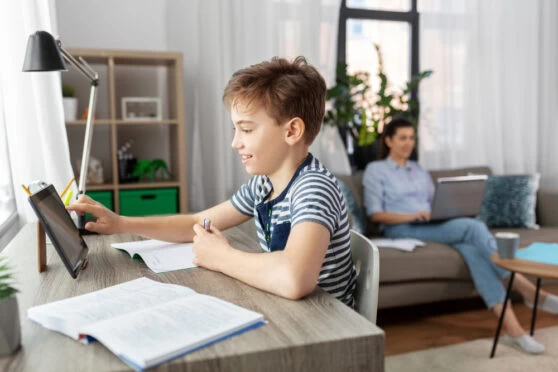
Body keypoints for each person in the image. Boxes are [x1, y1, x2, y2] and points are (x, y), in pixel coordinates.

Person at [68, 56, 357, 306]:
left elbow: (294, 279)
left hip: (325, 325)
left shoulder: (313, 188)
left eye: (246, 129)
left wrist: (221, 256)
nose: (235, 143)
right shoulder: (264, 185)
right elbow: (196, 221)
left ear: (292, 130)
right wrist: (122, 223)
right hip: (287, 309)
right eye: (236, 129)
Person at [362, 117, 558, 354]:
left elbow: (436, 203)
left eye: (411, 138)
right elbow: (376, 215)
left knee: (472, 250)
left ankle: (514, 329)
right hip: (401, 228)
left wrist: (441, 211)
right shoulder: (376, 170)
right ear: (389, 140)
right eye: (402, 138)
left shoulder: (419, 170)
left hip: (432, 223)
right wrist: (414, 215)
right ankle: (527, 290)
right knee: (472, 227)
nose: (408, 143)